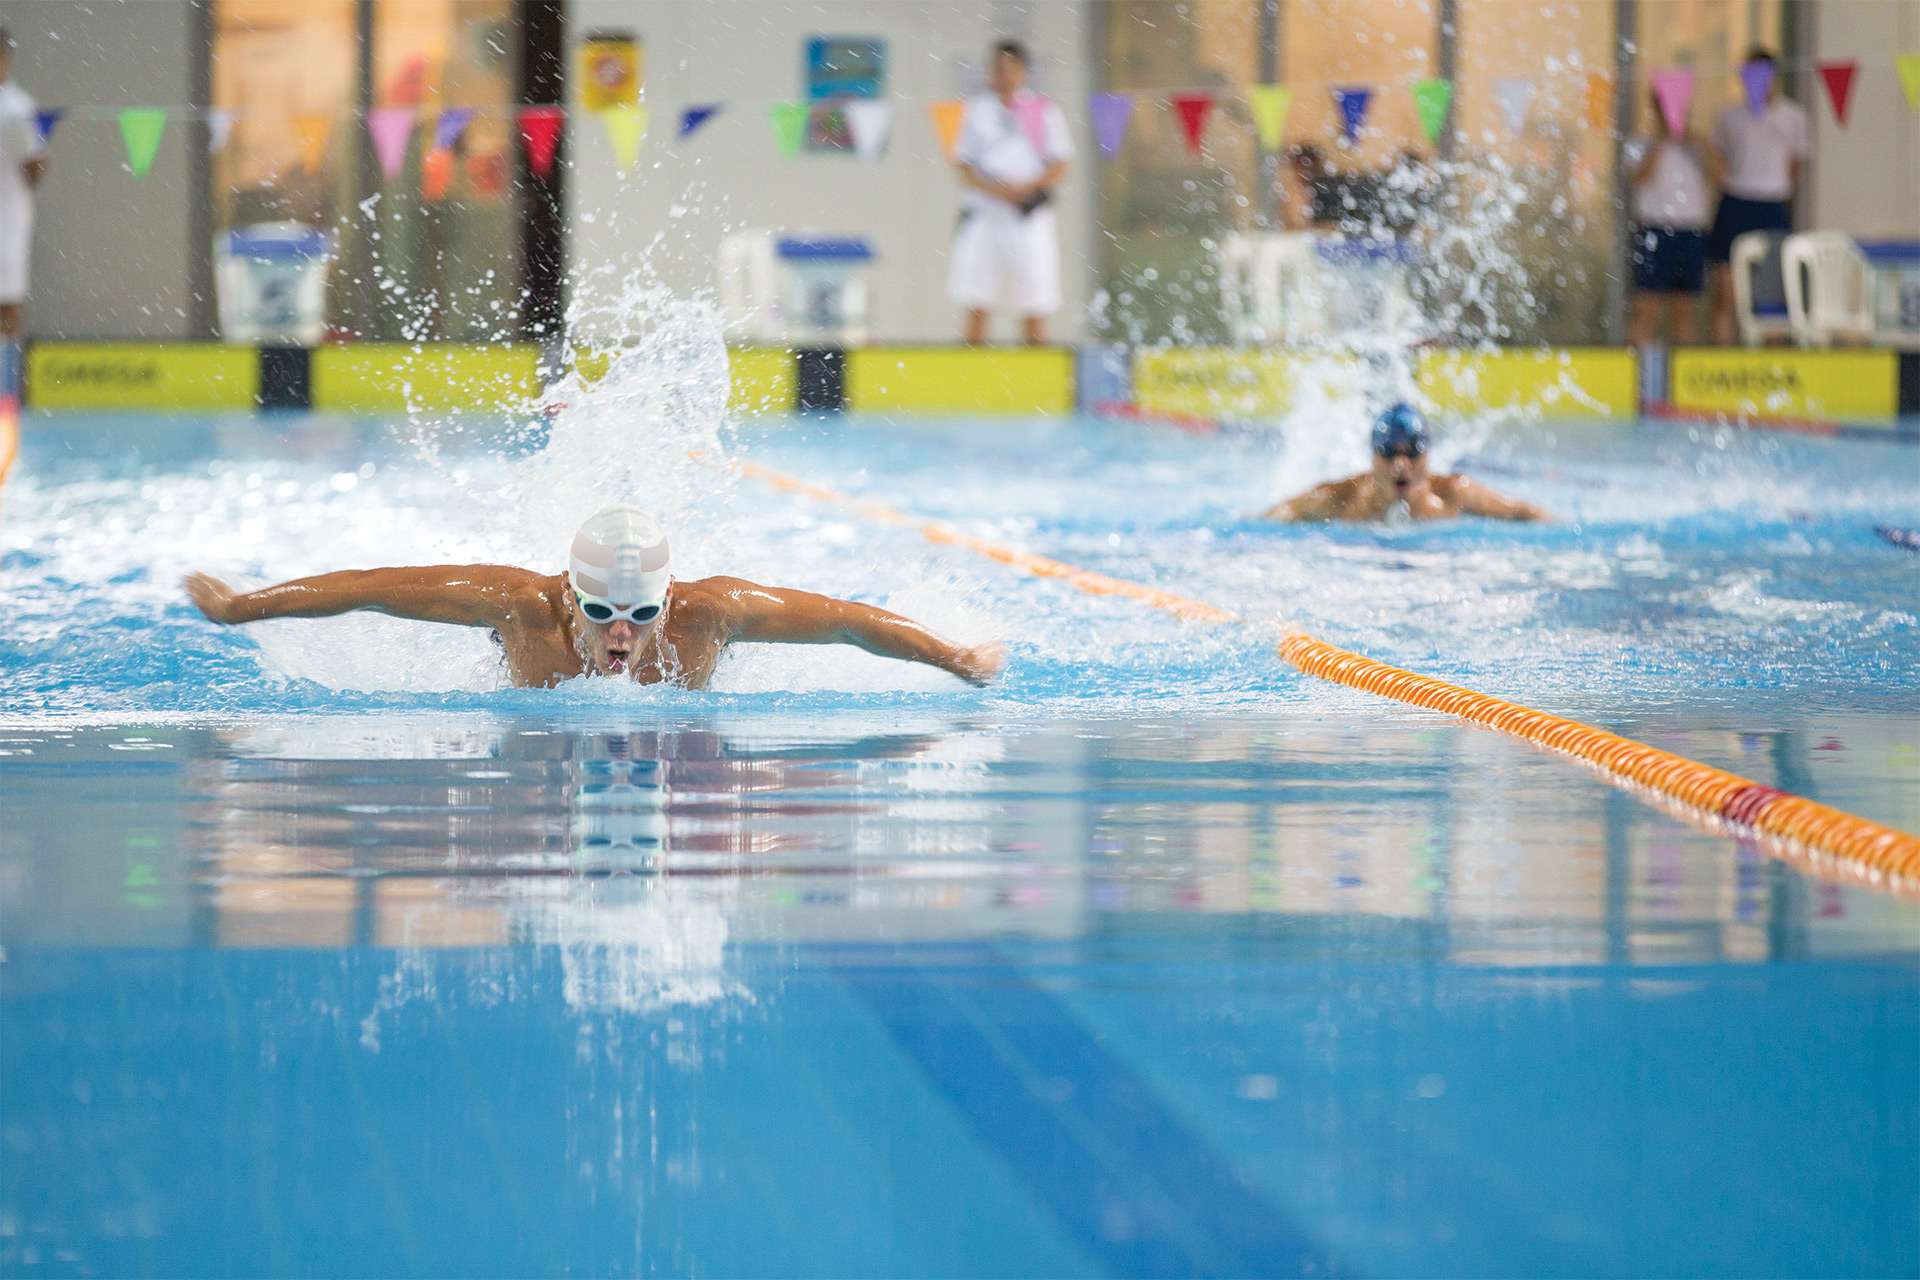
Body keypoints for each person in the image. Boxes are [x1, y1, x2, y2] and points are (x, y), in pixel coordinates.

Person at [183, 506, 1006, 689]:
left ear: (667, 600)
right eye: (601, 612)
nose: (622, 634)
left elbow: (848, 626)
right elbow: (369, 590)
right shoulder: (516, 606)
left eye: (641, 614)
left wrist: (952, 657)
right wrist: (240, 607)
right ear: (567, 597)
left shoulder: (705, 615)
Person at [948, 41, 1072, 345]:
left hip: (1027, 218)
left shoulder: (1042, 110)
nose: (1003, 75)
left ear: (1024, 72)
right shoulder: (976, 111)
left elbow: (1061, 163)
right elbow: (963, 166)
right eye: (997, 68)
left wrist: (1025, 187)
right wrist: (996, 190)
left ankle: (1037, 379)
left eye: (1010, 68)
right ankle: (969, 378)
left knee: (1035, 301)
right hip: (986, 216)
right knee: (977, 300)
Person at [1260, 404, 1550, 523]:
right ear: (1373, 457)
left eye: (1412, 452)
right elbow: (1276, 515)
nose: (1400, 464)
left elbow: (1526, 512)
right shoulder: (1342, 499)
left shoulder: (1453, 494)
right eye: (1388, 452)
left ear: (1427, 456)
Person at [1707, 48, 1809, 345]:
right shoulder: (1728, 115)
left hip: (1772, 205)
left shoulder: (1793, 116)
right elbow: (1716, 157)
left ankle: (1770, 363)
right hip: (1735, 202)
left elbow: (1796, 164)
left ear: (1775, 77)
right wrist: (1729, 181)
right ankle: (1722, 361)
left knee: (1772, 293)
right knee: (1725, 293)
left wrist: (1775, 187)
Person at [1625, 90, 1712, 345]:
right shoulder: (1640, 142)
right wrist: (1663, 141)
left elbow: (1722, 174)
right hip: (1655, 231)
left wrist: (1696, 142)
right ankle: (1635, 374)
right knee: (1646, 308)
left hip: (1691, 232)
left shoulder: (1696, 145)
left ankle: (1683, 375)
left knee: (1684, 310)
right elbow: (1642, 177)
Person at [0, 29, 46, 346]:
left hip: (7, 221)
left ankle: (6, 386)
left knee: (7, 301)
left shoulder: (19, 107)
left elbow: (37, 170)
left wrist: (23, 147)